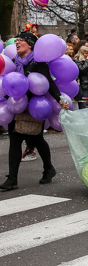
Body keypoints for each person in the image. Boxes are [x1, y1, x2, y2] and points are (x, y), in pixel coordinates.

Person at [0, 31, 69, 191]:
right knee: (15, 140)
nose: (16, 43)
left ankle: (49, 168)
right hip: (16, 106)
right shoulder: (13, 61)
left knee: (36, 139)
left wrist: (60, 98)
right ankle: (12, 179)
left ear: (30, 43)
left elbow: (48, 83)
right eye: (16, 40)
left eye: (20, 40)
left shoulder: (39, 62)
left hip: (34, 106)